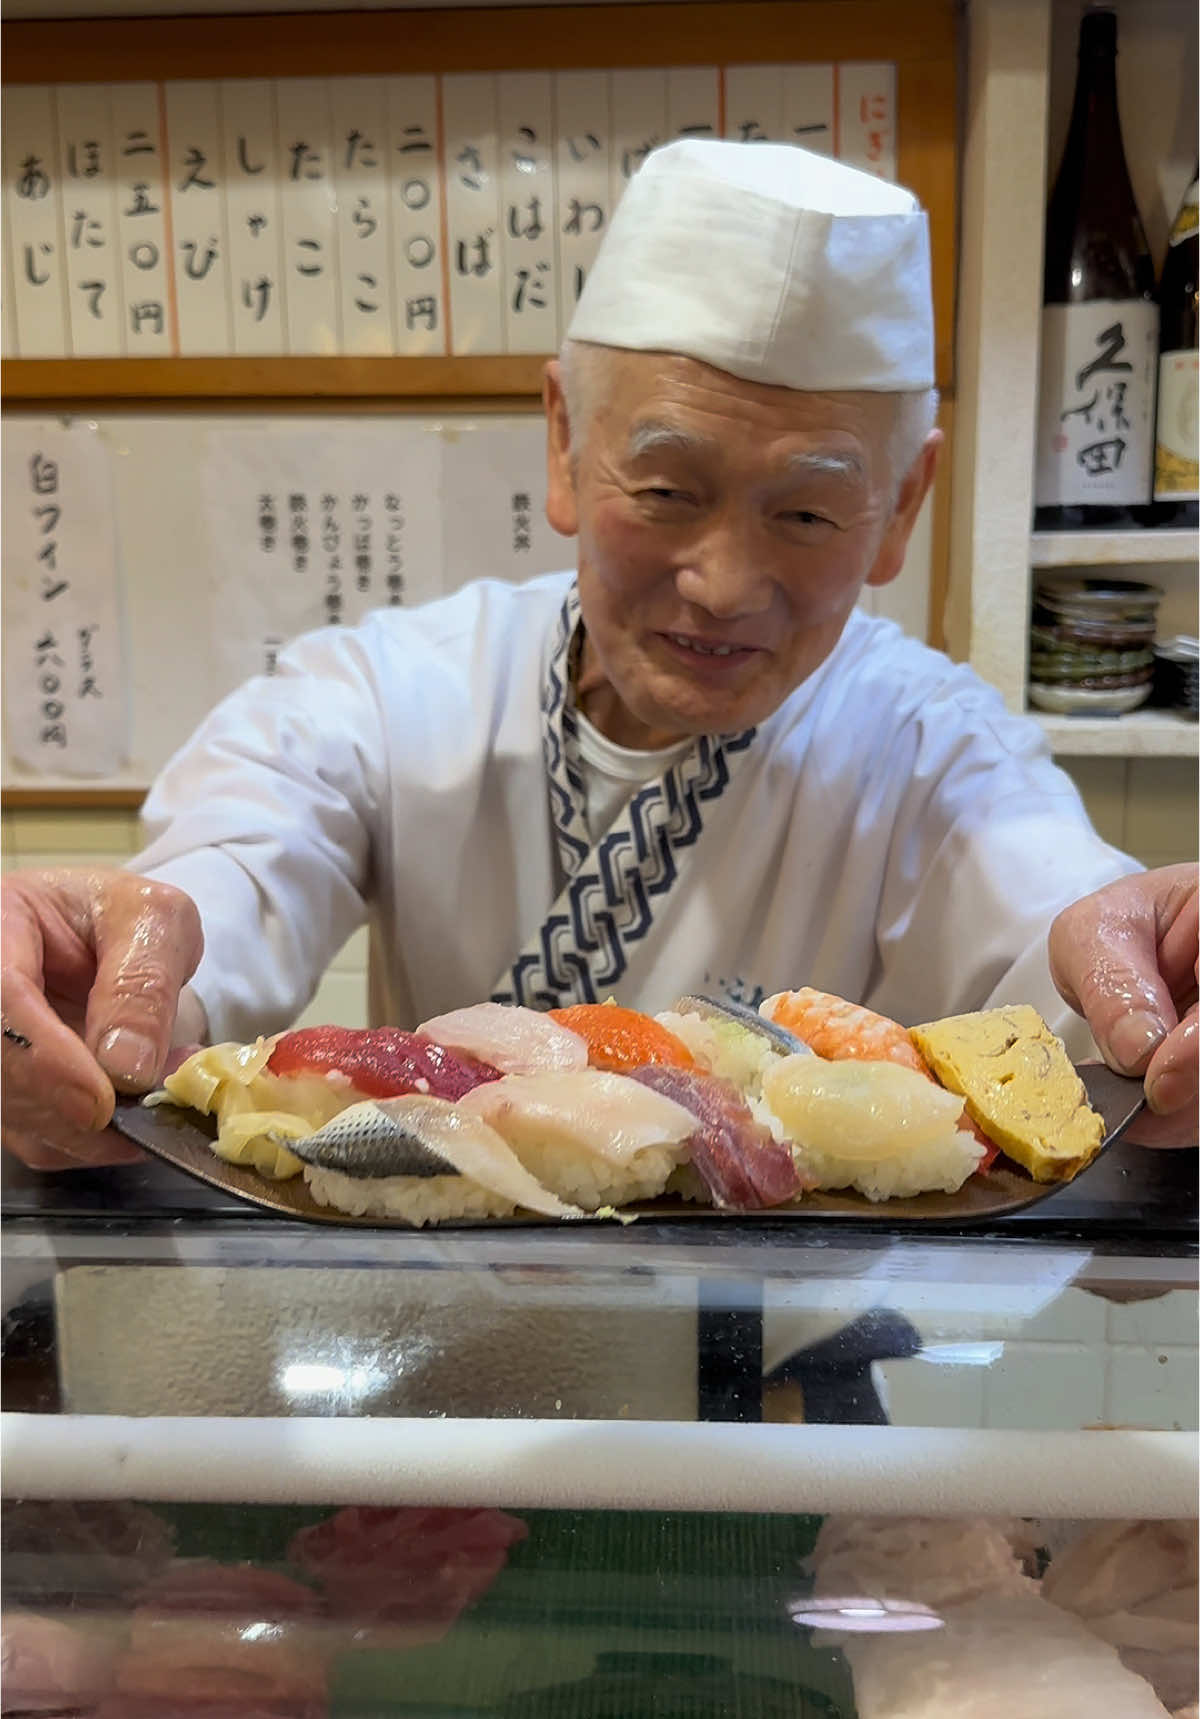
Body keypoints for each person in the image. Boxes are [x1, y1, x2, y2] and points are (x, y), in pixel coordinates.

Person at [2, 141, 1195, 1172]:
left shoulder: (939, 752)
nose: (724, 584)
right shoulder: (393, 692)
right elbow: (236, 865)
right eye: (668, 489)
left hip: (786, 1379)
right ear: (567, 444)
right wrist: (113, 987)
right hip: (434, 1311)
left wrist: (1152, 983)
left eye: (810, 514)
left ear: (904, 503)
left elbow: (1056, 911)